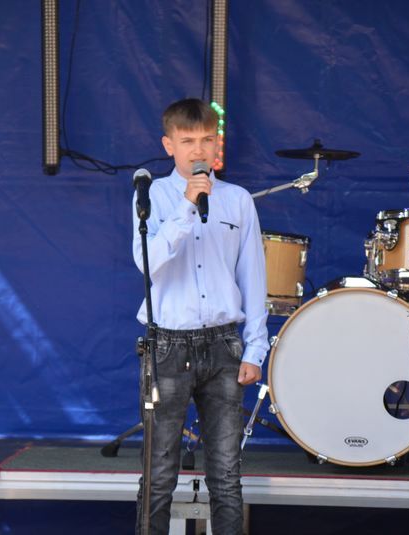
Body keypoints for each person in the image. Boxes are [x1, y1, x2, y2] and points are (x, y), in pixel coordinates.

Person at [132, 98, 269, 535]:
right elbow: (148, 262)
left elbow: (253, 276)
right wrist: (187, 206)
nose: (198, 150)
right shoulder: (152, 195)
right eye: (188, 140)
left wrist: (256, 348)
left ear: (217, 145)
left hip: (223, 345)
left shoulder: (238, 200)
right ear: (168, 145)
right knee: (159, 474)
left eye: (207, 140)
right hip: (168, 346)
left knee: (226, 475)